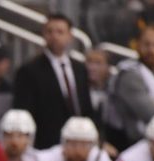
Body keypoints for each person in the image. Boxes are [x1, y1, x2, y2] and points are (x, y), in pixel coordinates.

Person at [12, 13, 95, 149]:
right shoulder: (30, 71)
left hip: (80, 142)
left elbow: (86, 107)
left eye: (60, 32)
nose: (55, 36)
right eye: (49, 31)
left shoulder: (79, 69)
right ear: (43, 35)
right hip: (46, 144)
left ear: (70, 36)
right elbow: (24, 112)